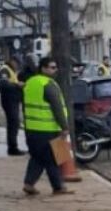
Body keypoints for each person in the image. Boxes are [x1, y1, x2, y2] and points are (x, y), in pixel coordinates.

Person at [22, 57, 73, 196]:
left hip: (31, 129)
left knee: (37, 157)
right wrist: (64, 127)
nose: (55, 70)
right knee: (54, 158)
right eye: (52, 67)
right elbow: (57, 108)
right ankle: (58, 187)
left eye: (55, 67)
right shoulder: (49, 84)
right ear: (43, 68)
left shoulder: (30, 83)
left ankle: (29, 183)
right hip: (49, 129)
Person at [0, 55, 26, 156]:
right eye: (17, 63)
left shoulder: (11, 70)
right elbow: (3, 84)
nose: (17, 66)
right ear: (12, 61)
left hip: (13, 101)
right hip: (9, 101)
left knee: (14, 124)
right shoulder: (5, 70)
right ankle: (12, 148)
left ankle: (13, 147)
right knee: (13, 124)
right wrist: (17, 85)